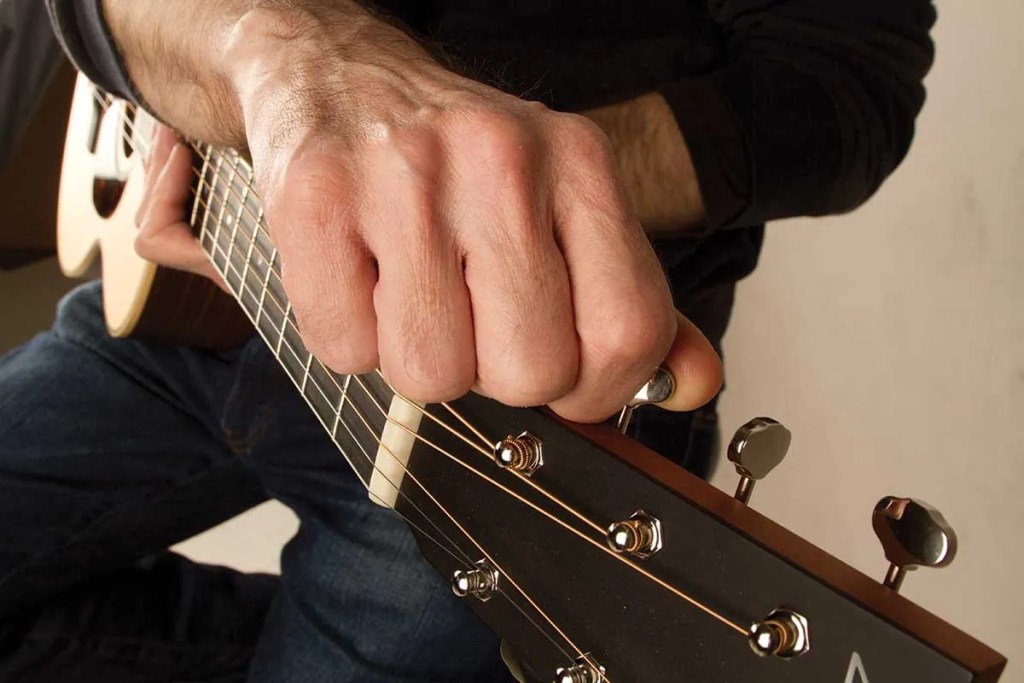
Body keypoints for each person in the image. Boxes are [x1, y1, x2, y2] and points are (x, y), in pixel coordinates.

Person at [0, 1, 936, 681]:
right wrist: (246, 59)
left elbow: (841, 92)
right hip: (196, 306)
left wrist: (491, 194)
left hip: (494, 427)